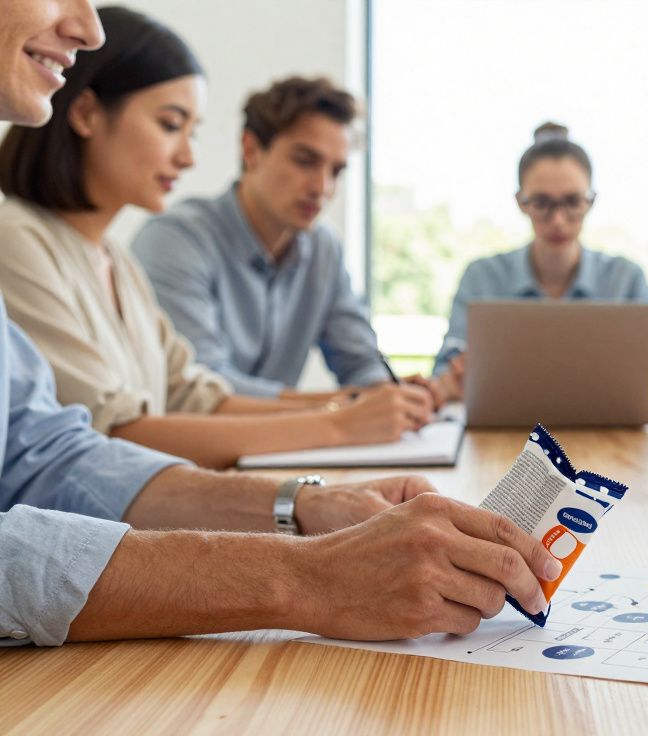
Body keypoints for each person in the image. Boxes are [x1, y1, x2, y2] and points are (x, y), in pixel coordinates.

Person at [0, 0, 561, 648]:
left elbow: (49, 456)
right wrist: (309, 569)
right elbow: (121, 427)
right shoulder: (54, 238)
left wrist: (306, 503)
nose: (87, 27)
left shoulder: (119, 259)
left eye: (337, 169)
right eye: (170, 123)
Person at [0, 7, 431, 469]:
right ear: (85, 112)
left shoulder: (115, 260)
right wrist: (341, 424)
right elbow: (112, 433)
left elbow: (194, 394)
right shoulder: (18, 241)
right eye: (169, 125)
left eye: (192, 132)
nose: (187, 158)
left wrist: (353, 407)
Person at [132, 76, 409, 403]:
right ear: (251, 150)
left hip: (276, 449)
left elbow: (360, 361)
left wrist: (390, 396)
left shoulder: (324, 249)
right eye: (305, 161)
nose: (322, 189)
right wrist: (339, 407)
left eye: (336, 171)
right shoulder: (175, 240)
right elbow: (201, 388)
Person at [408, 122, 648, 403]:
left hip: (608, 437)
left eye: (572, 202)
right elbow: (444, 369)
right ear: (520, 202)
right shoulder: (481, 276)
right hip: (498, 436)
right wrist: (452, 381)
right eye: (541, 203)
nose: (558, 220)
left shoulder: (626, 278)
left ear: (591, 201)